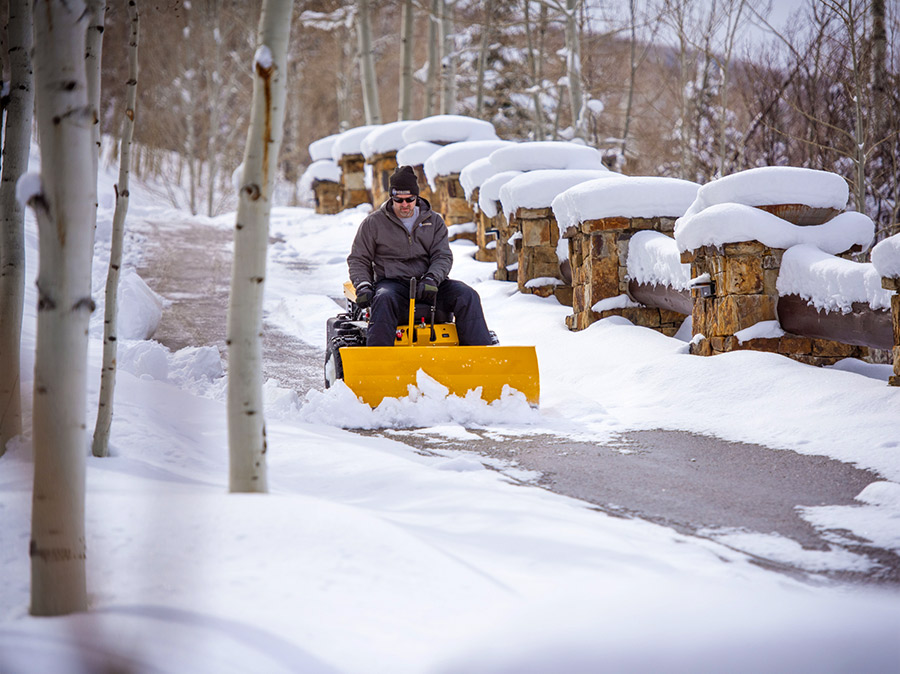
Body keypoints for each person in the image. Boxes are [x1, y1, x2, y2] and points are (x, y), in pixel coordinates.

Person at [348, 165, 493, 347]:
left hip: (430, 284)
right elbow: (358, 259)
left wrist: (432, 278)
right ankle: (378, 363)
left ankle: (480, 359)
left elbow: (442, 256)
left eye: (409, 199)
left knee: (467, 295)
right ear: (391, 198)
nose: (404, 204)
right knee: (383, 298)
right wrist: (363, 285)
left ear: (416, 197)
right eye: (399, 200)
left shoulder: (434, 221)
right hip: (393, 284)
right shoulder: (373, 223)